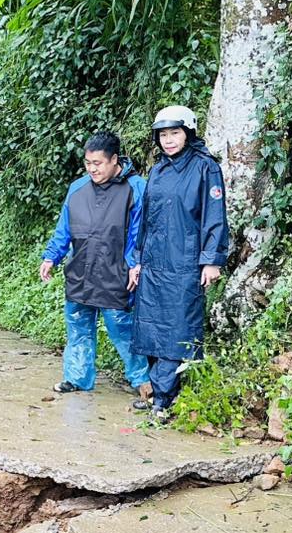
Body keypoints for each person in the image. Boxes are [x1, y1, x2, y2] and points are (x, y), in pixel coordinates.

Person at [130, 105, 229, 421]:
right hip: (153, 263)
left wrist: (211, 260)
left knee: (177, 329)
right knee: (150, 328)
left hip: (185, 264)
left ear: (188, 132)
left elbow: (215, 217)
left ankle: (164, 400)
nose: (169, 140)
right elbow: (146, 220)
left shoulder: (205, 168)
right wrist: (138, 259)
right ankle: (157, 393)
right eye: (163, 135)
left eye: (175, 133)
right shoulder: (158, 170)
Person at [39, 132, 152, 399]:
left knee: (122, 329)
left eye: (98, 163)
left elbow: (141, 233)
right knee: (78, 327)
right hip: (80, 271)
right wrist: (51, 257)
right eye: (88, 163)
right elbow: (64, 227)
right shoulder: (78, 188)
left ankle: (143, 380)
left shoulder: (136, 188)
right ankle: (77, 378)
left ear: (114, 160)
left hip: (116, 273)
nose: (92, 169)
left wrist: (135, 264)